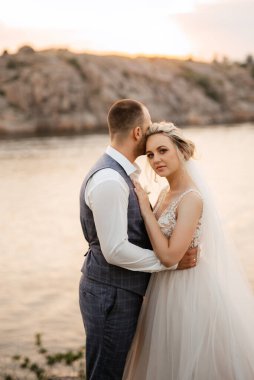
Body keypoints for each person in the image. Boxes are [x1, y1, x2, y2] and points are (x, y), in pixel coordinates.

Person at [123, 122, 254, 380]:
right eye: (150, 155)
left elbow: (170, 255)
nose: (156, 159)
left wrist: (145, 210)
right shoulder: (164, 193)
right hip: (161, 287)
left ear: (181, 151)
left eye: (163, 151)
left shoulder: (192, 198)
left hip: (188, 288)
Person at [79, 100, 198, 380]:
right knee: (106, 373)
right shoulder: (109, 179)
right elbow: (115, 250)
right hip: (110, 294)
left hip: (119, 292)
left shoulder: (122, 174)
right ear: (136, 133)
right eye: (147, 131)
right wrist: (170, 263)